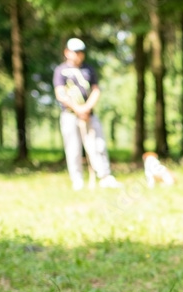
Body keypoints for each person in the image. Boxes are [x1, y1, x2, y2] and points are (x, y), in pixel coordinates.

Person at [53, 38, 120, 190]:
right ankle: (77, 180)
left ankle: (104, 176)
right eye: (75, 51)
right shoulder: (60, 70)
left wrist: (87, 108)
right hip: (70, 115)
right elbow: (60, 93)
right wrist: (77, 109)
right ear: (67, 52)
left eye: (81, 52)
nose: (78, 55)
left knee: (98, 144)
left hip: (89, 114)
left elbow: (95, 90)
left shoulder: (89, 69)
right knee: (73, 148)